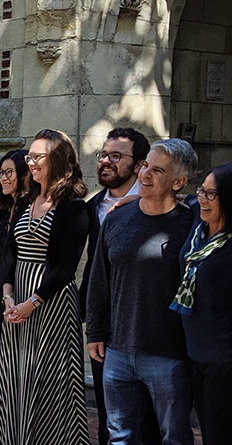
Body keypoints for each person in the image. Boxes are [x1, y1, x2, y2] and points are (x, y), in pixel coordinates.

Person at [86, 138, 198, 445]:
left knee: (173, 436)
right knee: (119, 436)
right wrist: (94, 331)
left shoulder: (192, 223)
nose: (145, 174)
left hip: (169, 353)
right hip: (117, 349)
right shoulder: (118, 218)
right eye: (145, 165)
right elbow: (99, 280)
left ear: (179, 181)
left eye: (157, 170)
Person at [0, 129, 95, 445]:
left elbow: (66, 267)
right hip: (17, 301)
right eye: (30, 157)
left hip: (51, 304)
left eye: (37, 157)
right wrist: (8, 296)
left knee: (50, 382)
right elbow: (9, 252)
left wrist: (32, 303)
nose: (31, 163)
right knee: (16, 379)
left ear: (57, 160)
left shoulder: (75, 207)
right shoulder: (25, 200)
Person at [171, 163, 232, 445]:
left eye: (212, 194)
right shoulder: (200, 230)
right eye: (202, 190)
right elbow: (181, 197)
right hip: (195, 355)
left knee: (223, 438)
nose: (202, 198)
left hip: (227, 363)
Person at [83, 127, 161, 445]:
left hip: (148, 327)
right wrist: (94, 326)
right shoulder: (91, 207)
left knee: (150, 418)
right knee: (110, 415)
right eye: (103, 155)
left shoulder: (161, 207)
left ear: (140, 165)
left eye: (116, 156)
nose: (106, 162)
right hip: (107, 328)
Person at [0, 149, 29, 414]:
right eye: (1, 173)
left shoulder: (31, 209)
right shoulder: (4, 212)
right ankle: (8, 422)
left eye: (10, 172)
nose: (3, 178)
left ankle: (14, 428)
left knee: (13, 373)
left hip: (19, 298)